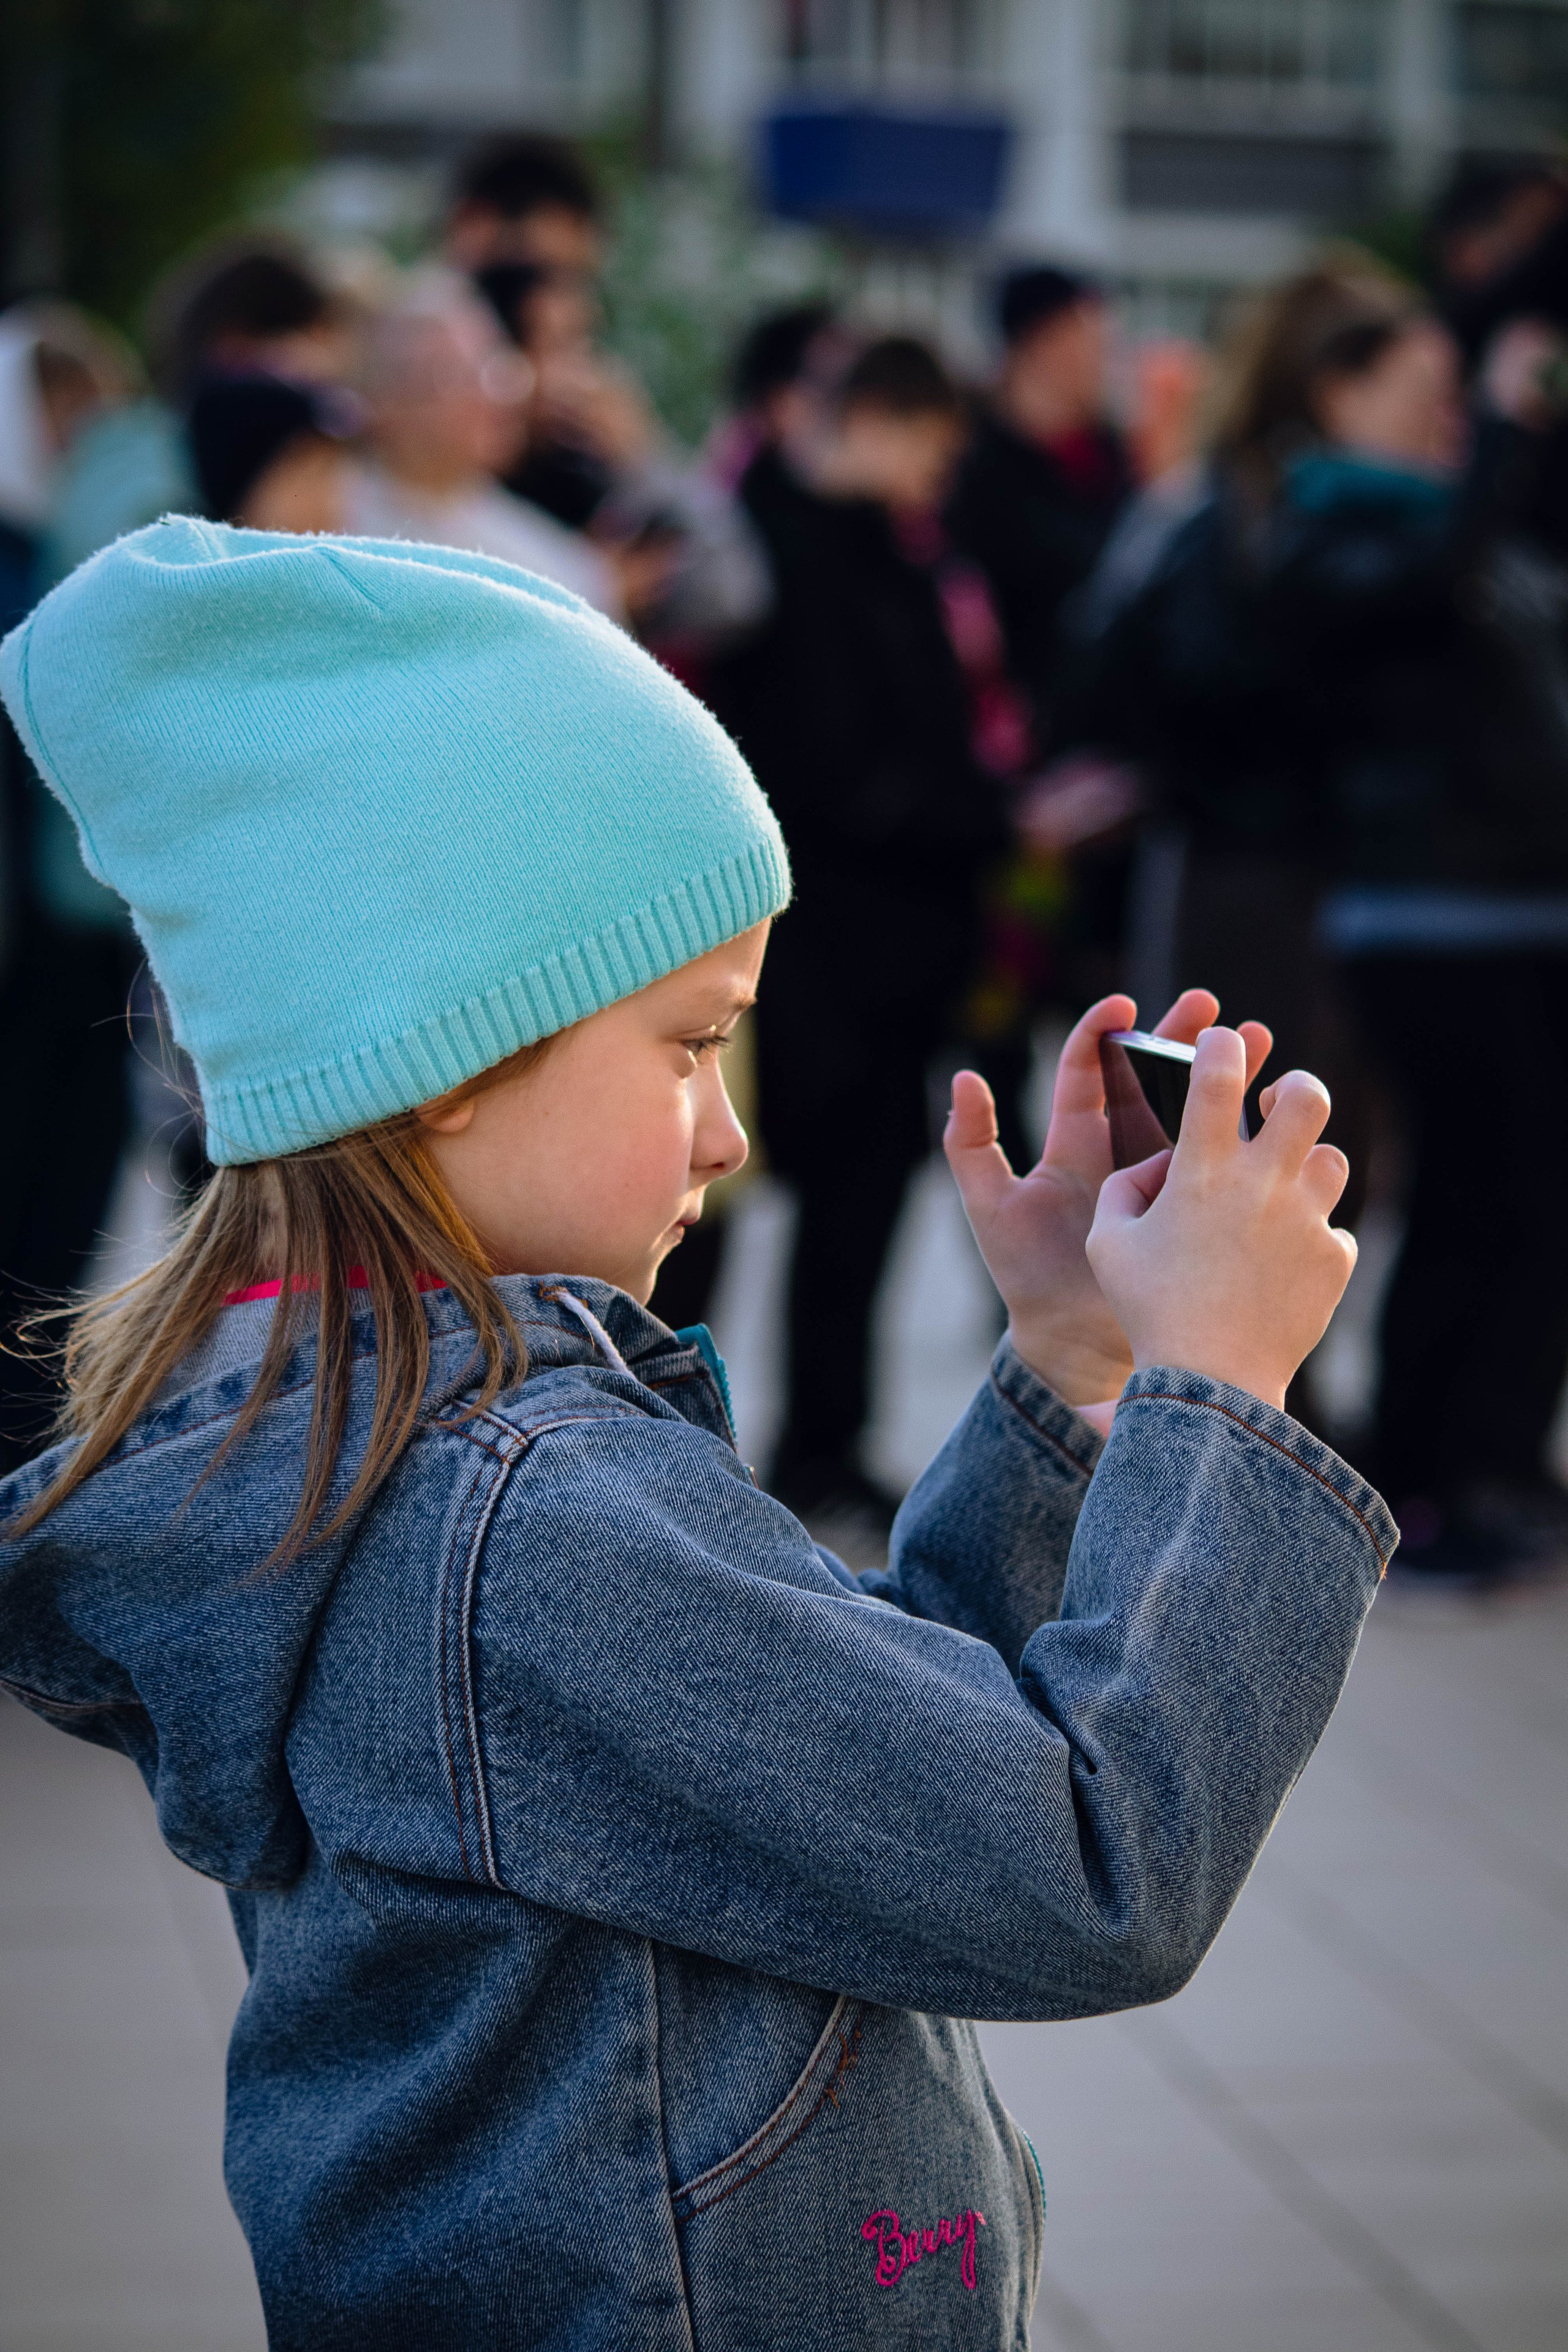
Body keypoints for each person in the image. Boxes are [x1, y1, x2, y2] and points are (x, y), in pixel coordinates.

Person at [1, 511, 1386, 2350]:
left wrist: (1064, 1360)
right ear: (439, 1055)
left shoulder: (384, 1442)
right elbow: (1080, 1867)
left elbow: (863, 1769)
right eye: (685, 1041)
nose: (727, 1130)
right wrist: (1218, 1385)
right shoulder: (513, 1515)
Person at [715, 336, 1023, 1523]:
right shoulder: (771, 550)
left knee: (856, 1217)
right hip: (812, 951)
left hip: (893, 952)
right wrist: (987, 813)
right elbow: (832, 768)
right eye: (934, 447)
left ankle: (821, 1445)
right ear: (882, 422)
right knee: (742, 1218)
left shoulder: (899, 558)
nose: (939, 476)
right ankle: (706, 1450)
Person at [0, 303, 141, 1472]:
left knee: (64, 1213)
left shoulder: (61, 553)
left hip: (75, 937)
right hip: (30, 946)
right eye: (69, 413)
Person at [343, 276, 623, 616]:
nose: (499, 396)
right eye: (463, 375)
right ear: (382, 400)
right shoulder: (319, 518)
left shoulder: (558, 571)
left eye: (495, 370)